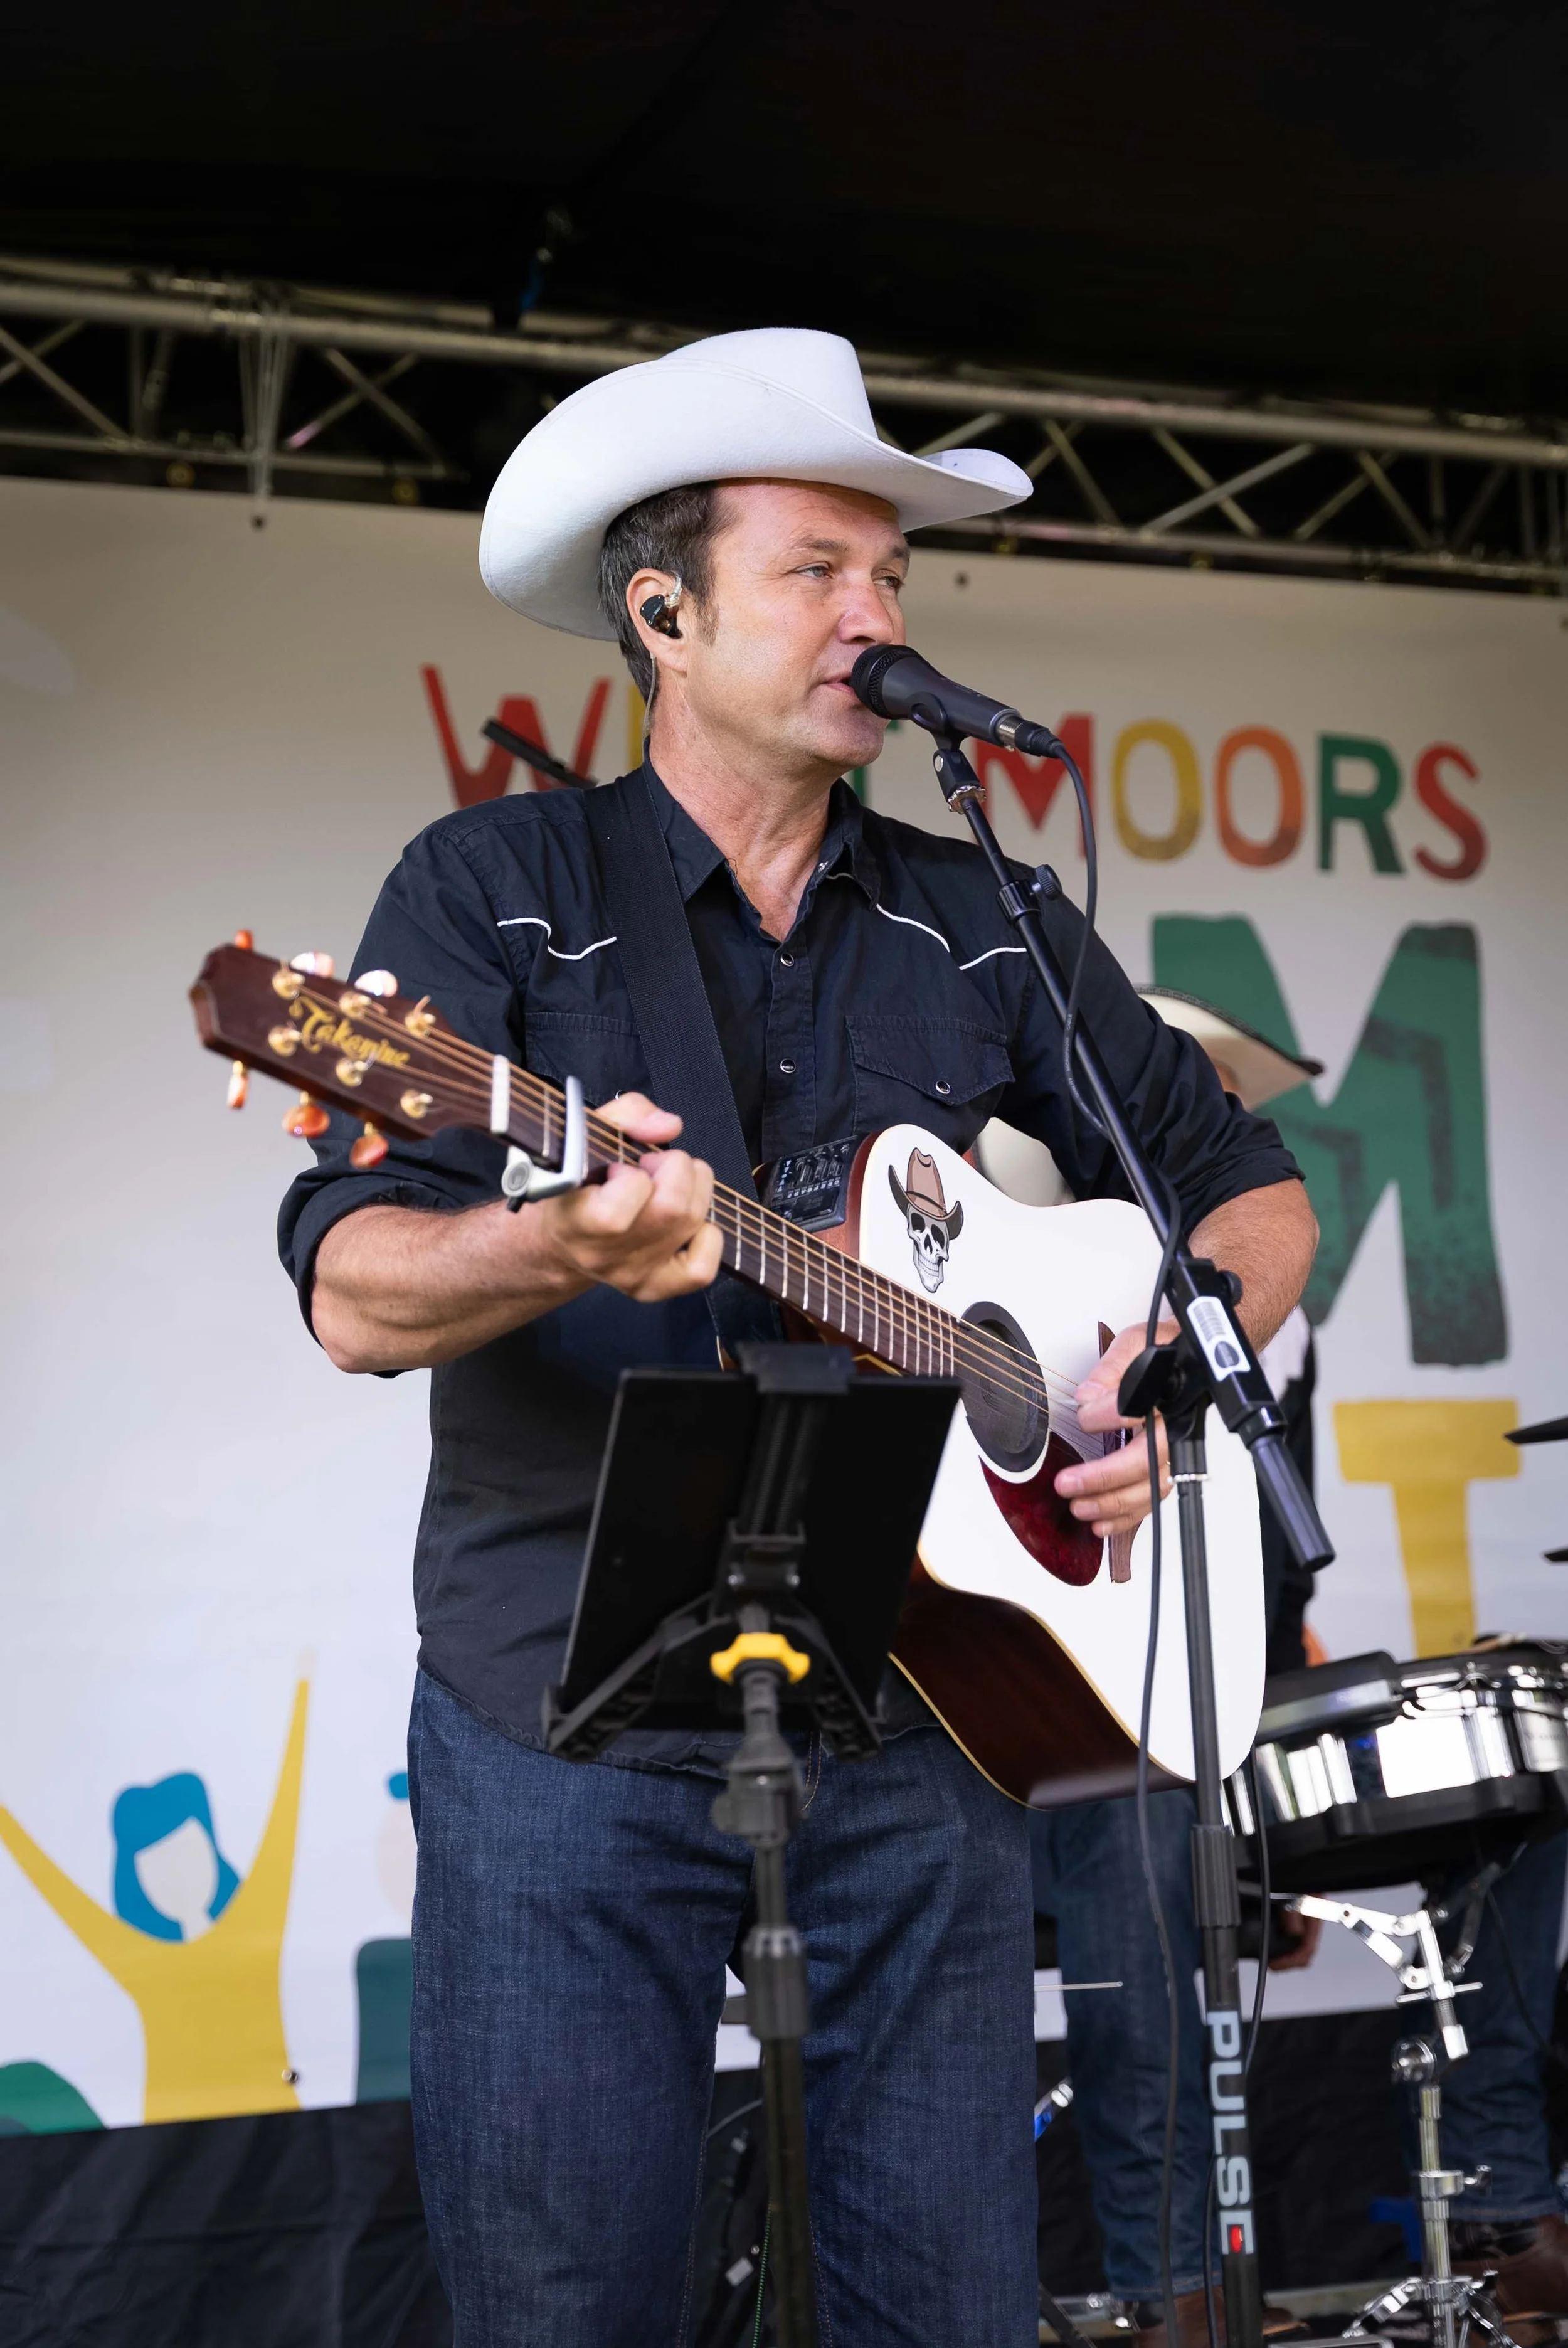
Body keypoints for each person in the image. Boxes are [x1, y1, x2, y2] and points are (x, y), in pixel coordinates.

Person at [280, 327, 1318, 2347]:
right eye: (819, 572)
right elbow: (352, 1286)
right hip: (561, 1714)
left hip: (921, 1697)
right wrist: (563, 1246)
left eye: (895, 577)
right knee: (571, 2296)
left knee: (940, 2295)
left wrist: (1149, 1381)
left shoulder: (976, 910)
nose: (878, 614)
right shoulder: (494, 887)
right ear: (661, 615)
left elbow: (1247, 1195)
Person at [1011, 992, 1326, 2346]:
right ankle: (1167, 2295)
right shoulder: (1030, 1255)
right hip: (1051, 1702)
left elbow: (1276, 1554)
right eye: (1170, 1082)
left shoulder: (1246, 1305)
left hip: (1201, 1681)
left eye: (1210, 1091)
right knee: (1133, 1928)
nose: (1200, 1109)